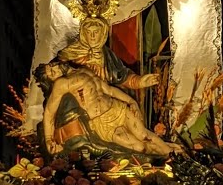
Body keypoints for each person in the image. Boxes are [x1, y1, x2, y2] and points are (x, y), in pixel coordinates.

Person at [36, 61, 180, 157]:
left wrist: (131, 102)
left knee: (144, 135)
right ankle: (168, 153)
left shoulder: (83, 70)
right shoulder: (62, 84)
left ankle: (175, 158)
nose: (56, 69)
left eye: (52, 66)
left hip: (117, 109)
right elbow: (49, 113)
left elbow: (109, 90)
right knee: (139, 147)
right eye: (52, 73)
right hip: (101, 123)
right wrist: (49, 140)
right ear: (52, 80)